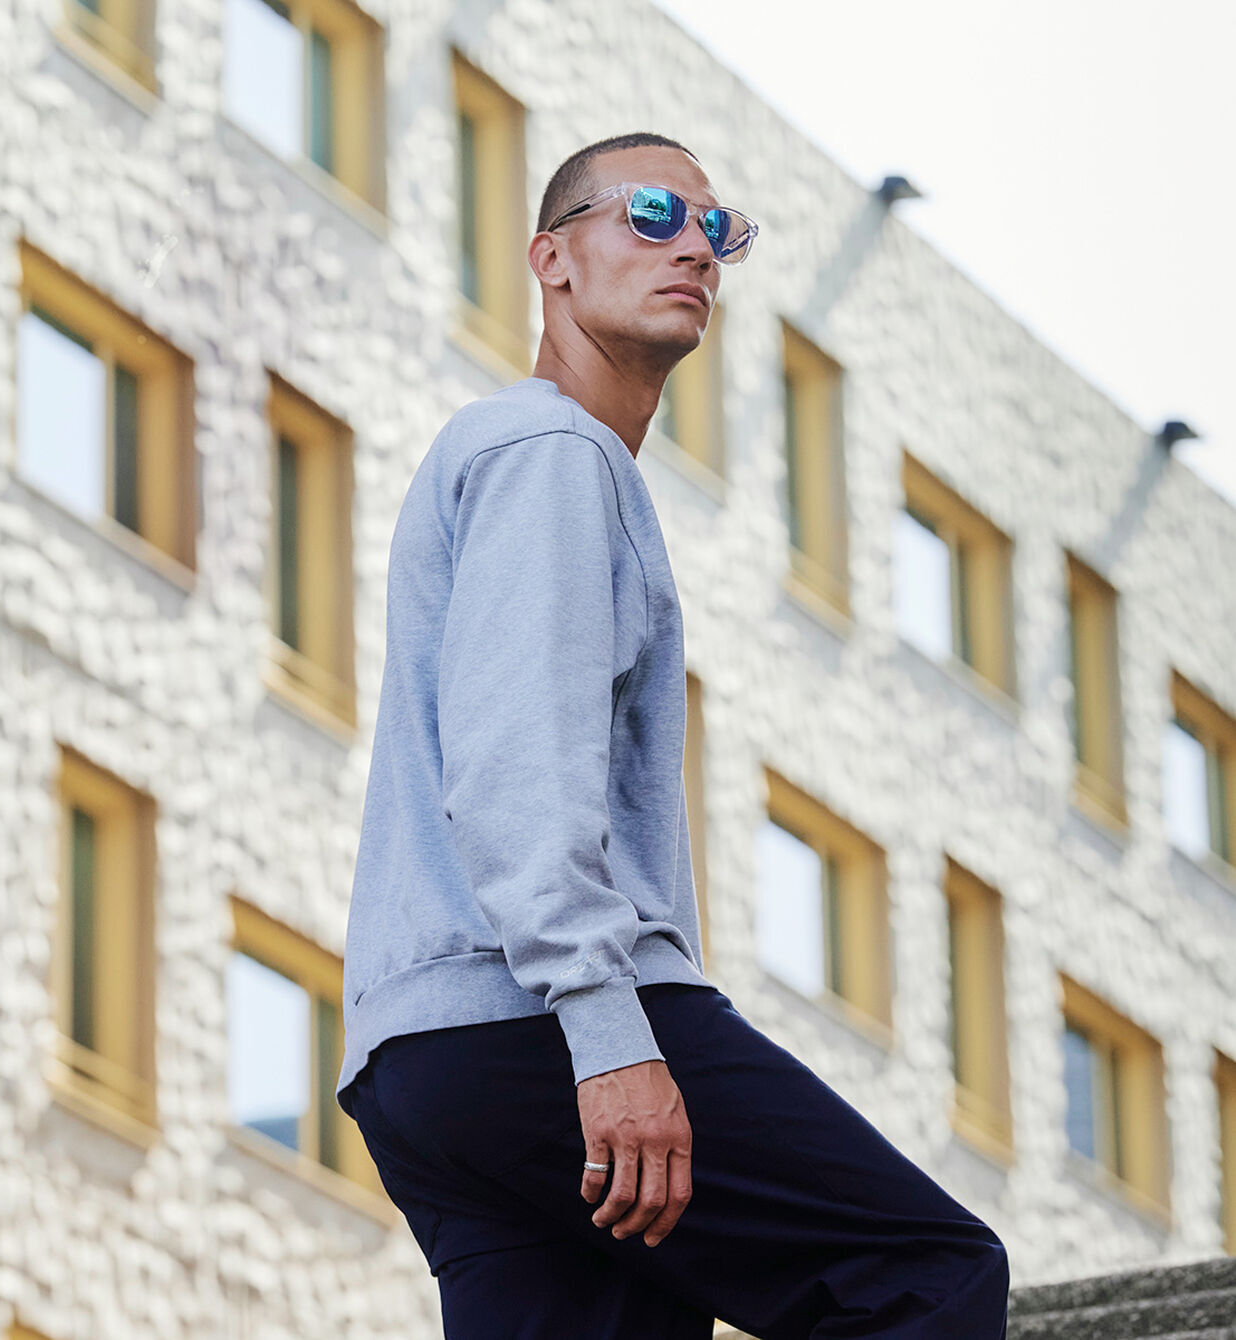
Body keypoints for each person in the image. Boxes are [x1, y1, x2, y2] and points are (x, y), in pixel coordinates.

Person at [334, 131, 1010, 1338]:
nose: (693, 245)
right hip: (532, 1015)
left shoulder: (523, 456)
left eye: (716, 228)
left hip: (422, 1060)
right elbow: (511, 769)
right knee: (920, 1272)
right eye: (650, 213)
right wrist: (608, 1033)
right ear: (550, 258)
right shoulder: (550, 450)